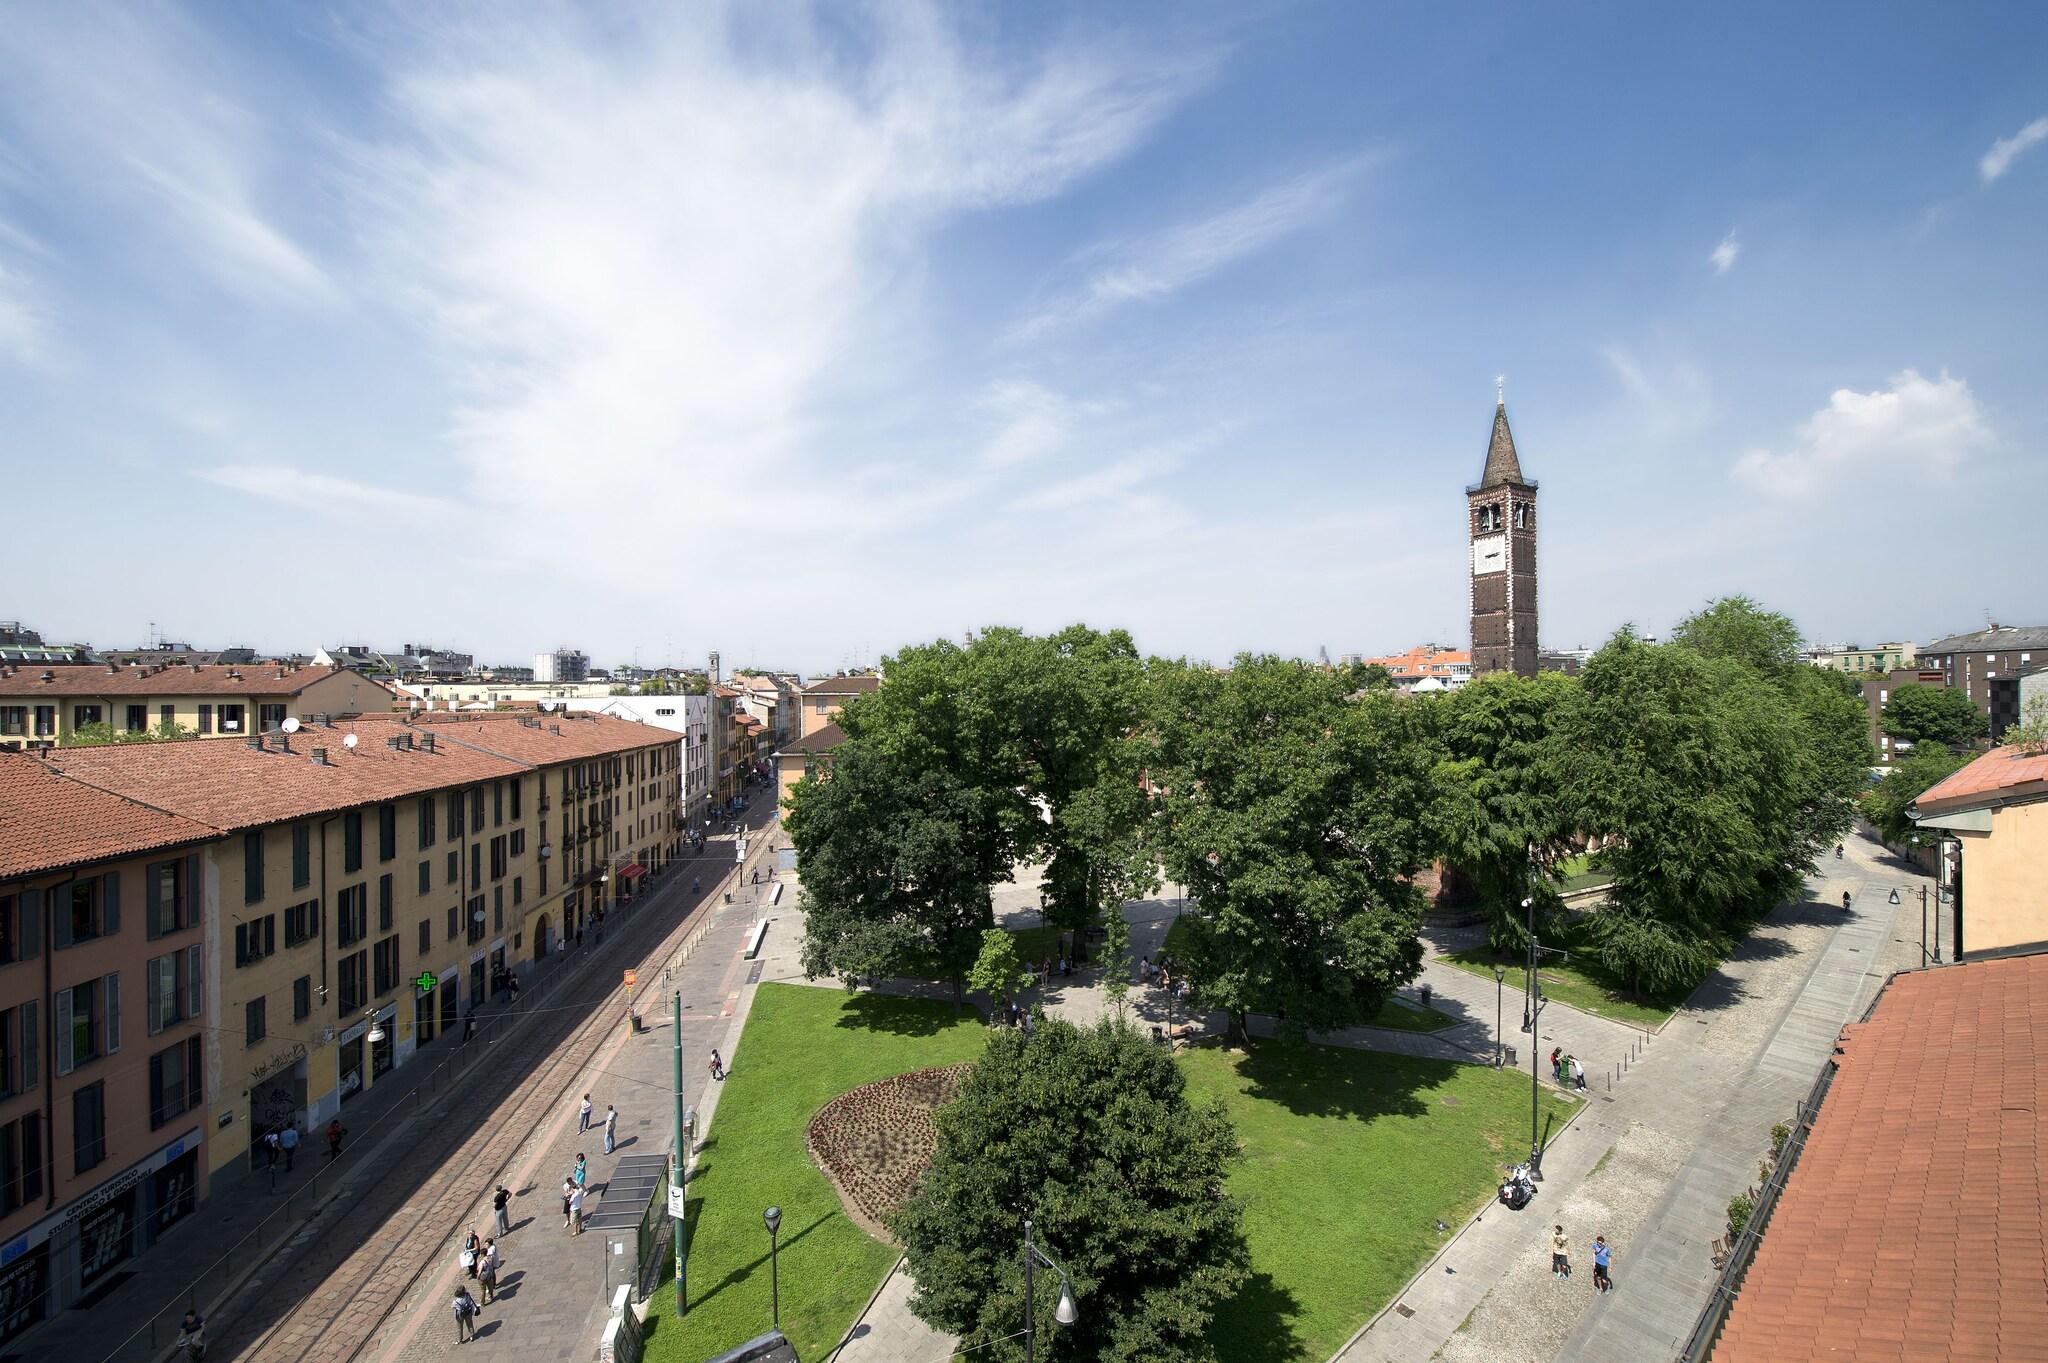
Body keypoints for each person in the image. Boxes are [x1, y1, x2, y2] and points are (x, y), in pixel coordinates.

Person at [479, 1239, 501, 1304]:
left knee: (492, 1275)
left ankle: (493, 1286)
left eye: (486, 1244)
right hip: (491, 1266)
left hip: (489, 1269)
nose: (485, 1245)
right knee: (492, 1275)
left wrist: (478, 1276)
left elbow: (481, 1270)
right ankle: (492, 1288)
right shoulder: (493, 1246)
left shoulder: (490, 1252)